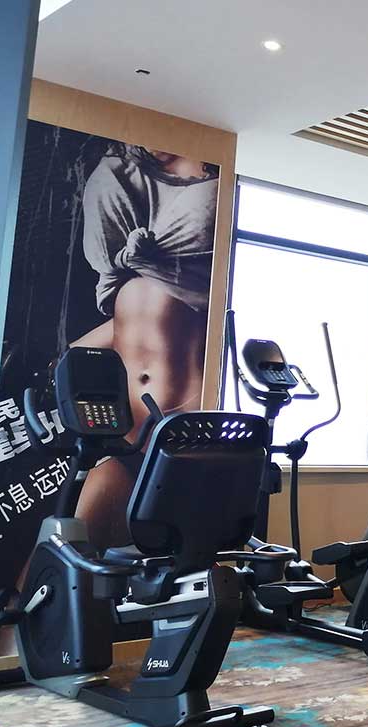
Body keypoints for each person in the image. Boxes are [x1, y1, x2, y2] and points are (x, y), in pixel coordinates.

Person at [69, 145, 218, 551]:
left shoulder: (215, 192)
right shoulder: (116, 173)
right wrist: (67, 358)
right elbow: (129, 320)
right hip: (127, 429)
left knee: (180, 559)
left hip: (182, 428)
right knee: (66, 557)